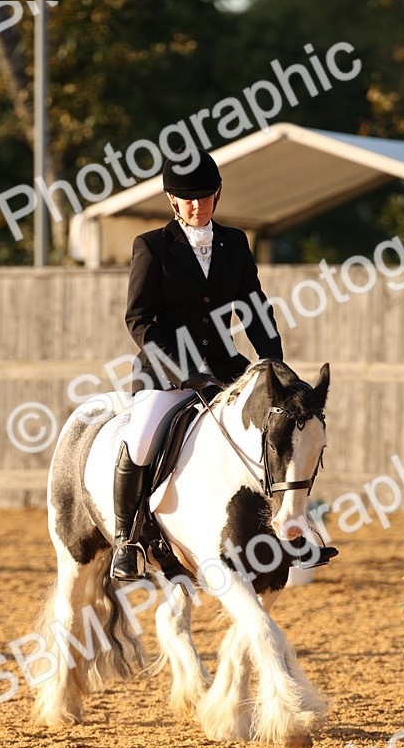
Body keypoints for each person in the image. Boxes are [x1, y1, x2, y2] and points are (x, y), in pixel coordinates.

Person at [110, 146, 285, 581]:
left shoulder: (235, 243)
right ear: (173, 201)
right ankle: (125, 540)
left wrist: (273, 364)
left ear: (217, 195)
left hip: (225, 368)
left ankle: (290, 530)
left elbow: (255, 308)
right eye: (187, 198)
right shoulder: (151, 247)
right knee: (142, 439)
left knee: (279, 428)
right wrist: (181, 371)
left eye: (203, 196)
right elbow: (140, 321)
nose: (195, 205)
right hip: (165, 372)